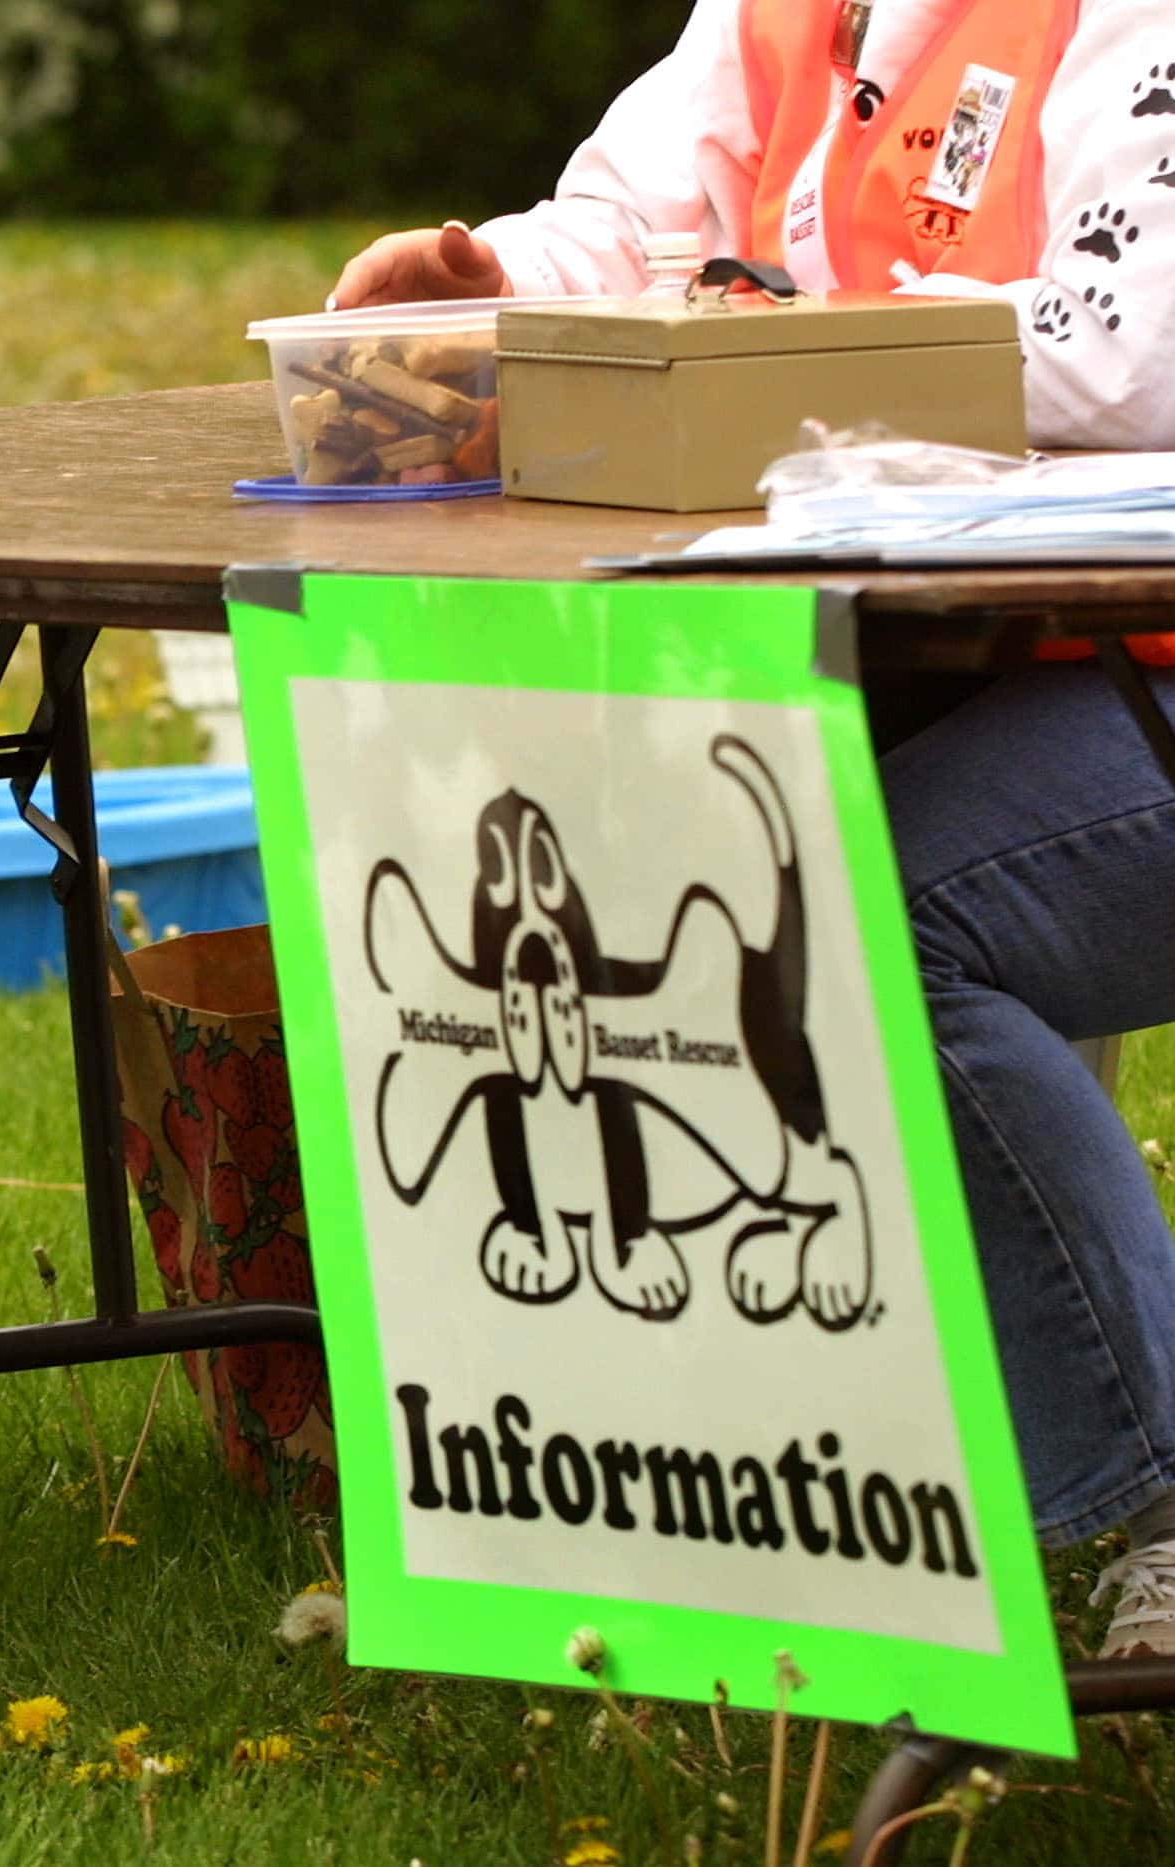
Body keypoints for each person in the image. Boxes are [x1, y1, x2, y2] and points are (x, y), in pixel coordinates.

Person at [333, 0, 1175, 1658]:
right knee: (656, 859)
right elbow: (645, 221)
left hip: (1126, 659)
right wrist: (489, 292)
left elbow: (1131, 345)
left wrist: (766, 341)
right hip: (1004, 652)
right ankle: (706, 1470)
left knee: (862, 924)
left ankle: (1155, 1491)